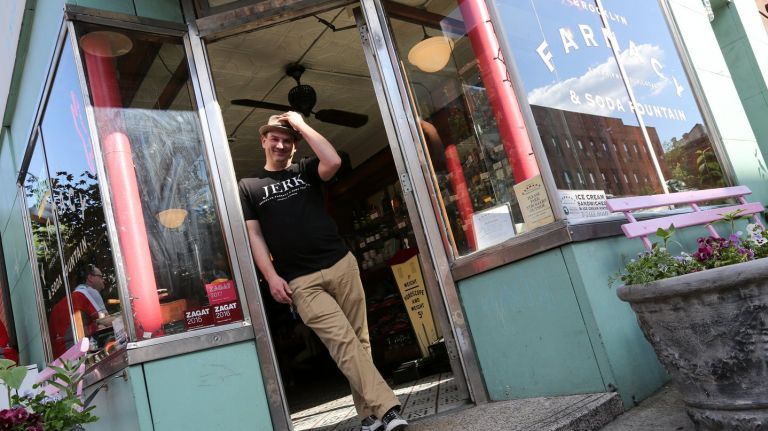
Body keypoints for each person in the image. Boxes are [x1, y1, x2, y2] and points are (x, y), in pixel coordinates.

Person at [239, 112, 408, 431]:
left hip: (341, 263)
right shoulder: (249, 186)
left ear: (294, 145)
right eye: (274, 138)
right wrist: (271, 276)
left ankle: (368, 415)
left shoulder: (304, 169)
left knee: (359, 341)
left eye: (287, 140)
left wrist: (301, 124)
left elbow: (332, 161)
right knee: (343, 341)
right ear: (263, 140)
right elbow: (255, 236)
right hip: (301, 282)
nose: (280, 144)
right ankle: (388, 408)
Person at [49, 264, 114, 357]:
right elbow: (106, 321)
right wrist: (124, 319)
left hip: (61, 359)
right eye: (101, 276)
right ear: (90, 278)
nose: (103, 280)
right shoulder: (88, 292)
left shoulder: (60, 306)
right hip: (78, 354)